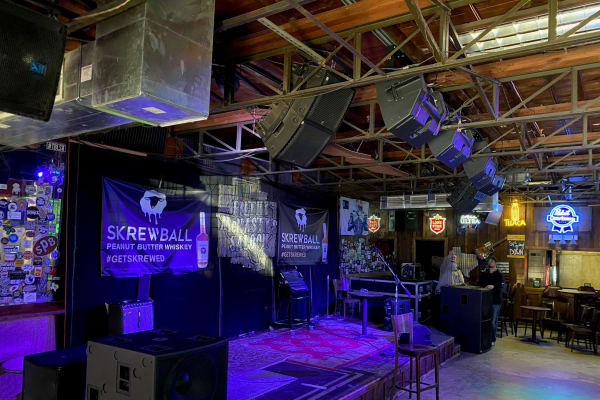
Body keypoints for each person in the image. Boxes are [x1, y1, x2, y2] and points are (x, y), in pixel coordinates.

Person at [479, 256, 504, 345]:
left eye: (492, 261)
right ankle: (486, 339)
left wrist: (493, 286)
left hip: (495, 301)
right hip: (485, 300)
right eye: (489, 261)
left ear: (495, 263)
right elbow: (480, 284)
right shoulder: (485, 273)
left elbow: (500, 286)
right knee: (485, 321)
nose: (490, 262)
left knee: (493, 322)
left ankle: (492, 339)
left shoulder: (499, 274)